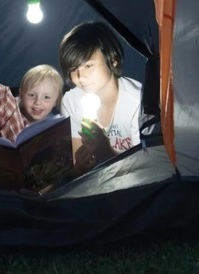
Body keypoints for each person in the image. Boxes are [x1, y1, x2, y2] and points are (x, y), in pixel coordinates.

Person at [58, 21, 142, 174]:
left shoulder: (138, 101)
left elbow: (144, 169)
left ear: (113, 59)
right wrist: (79, 166)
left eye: (88, 66)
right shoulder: (71, 101)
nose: (81, 77)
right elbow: (78, 165)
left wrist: (105, 151)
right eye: (73, 69)